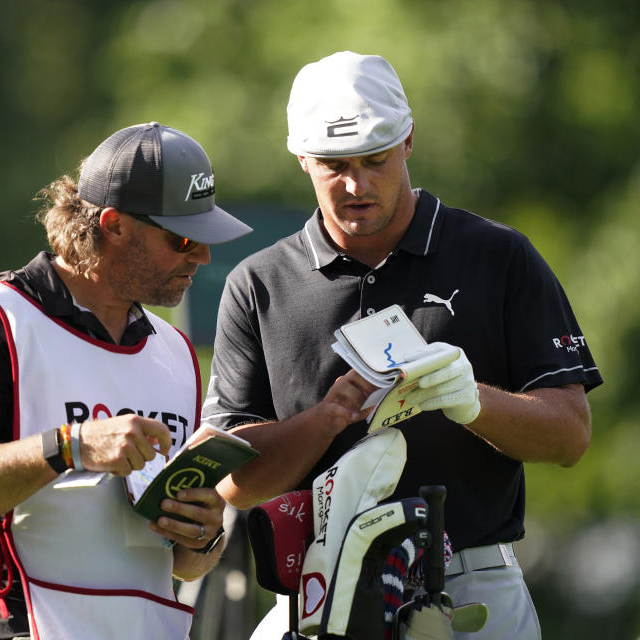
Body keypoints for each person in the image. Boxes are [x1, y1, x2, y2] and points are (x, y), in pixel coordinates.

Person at [205, 51, 602, 639]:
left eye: (375, 159)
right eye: (335, 165)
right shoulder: (259, 283)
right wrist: (323, 421)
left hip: (472, 585)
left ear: (409, 140)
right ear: (302, 158)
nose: (357, 184)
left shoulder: (499, 256)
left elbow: (571, 434)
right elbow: (232, 480)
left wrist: (473, 403)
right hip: (317, 586)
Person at [0, 122, 252, 640]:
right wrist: (72, 446)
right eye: (182, 238)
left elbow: (181, 565)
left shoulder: (176, 351)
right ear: (114, 224)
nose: (201, 257)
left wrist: (202, 536)